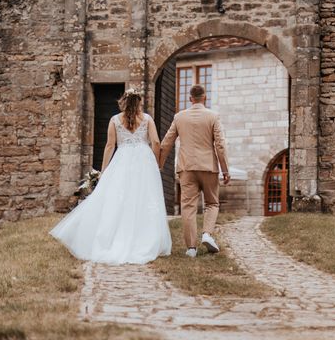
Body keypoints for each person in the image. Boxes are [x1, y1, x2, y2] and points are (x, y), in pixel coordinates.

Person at [49, 88, 171, 264]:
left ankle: (113, 237)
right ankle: (144, 238)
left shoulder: (115, 120)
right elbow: (157, 142)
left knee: (118, 198)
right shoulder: (147, 119)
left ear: (123, 101)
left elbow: (109, 146)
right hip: (144, 161)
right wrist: (156, 161)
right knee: (144, 198)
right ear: (139, 102)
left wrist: (104, 171)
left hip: (122, 159)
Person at [159, 84, 230, 258]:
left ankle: (191, 248)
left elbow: (166, 142)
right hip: (208, 167)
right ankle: (207, 234)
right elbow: (220, 145)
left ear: (190, 99)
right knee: (212, 203)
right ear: (204, 97)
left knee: (188, 207)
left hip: (186, 167)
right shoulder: (213, 116)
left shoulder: (179, 117)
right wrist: (225, 169)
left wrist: (159, 164)